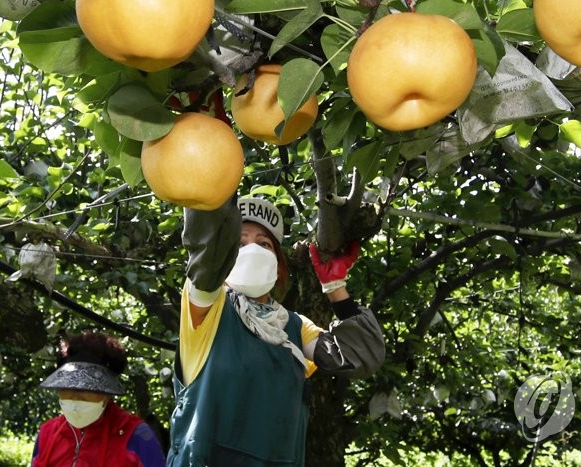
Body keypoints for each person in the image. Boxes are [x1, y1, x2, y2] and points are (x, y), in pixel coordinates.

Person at [167, 195, 386, 466]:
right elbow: (206, 247)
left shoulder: (293, 327)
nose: (253, 250)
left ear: (278, 264)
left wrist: (335, 286)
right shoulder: (206, 307)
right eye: (240, 242)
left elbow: (358, 356)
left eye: (264, 244)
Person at [31, 331, 166, 467]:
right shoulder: (47, 433)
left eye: (87, 389)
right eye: (67, 388)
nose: (76, 397)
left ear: (107, 394)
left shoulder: (137, 435)